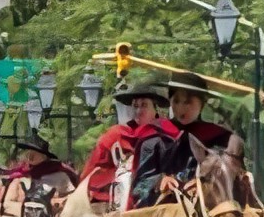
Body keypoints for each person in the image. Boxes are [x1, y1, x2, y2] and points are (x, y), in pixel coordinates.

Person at [129, 70, 237, 209]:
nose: (181, 108)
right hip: (164, 213)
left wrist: (206, 186)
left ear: (202, 104)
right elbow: (138, 187)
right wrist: (159, 181)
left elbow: (232, 178)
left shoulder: (220, 139)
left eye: (188, 102)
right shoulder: (154, 139)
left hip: (211, 210)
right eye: (176, 101)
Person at [81, 79, 167, 207]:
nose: (138, 111)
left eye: (144, 105)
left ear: (156, 110)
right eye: (135, 106)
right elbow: (90, 177)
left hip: (159, 204)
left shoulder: (168, 137)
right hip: (117, 204)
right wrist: (120, 174)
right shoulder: (115, 136)